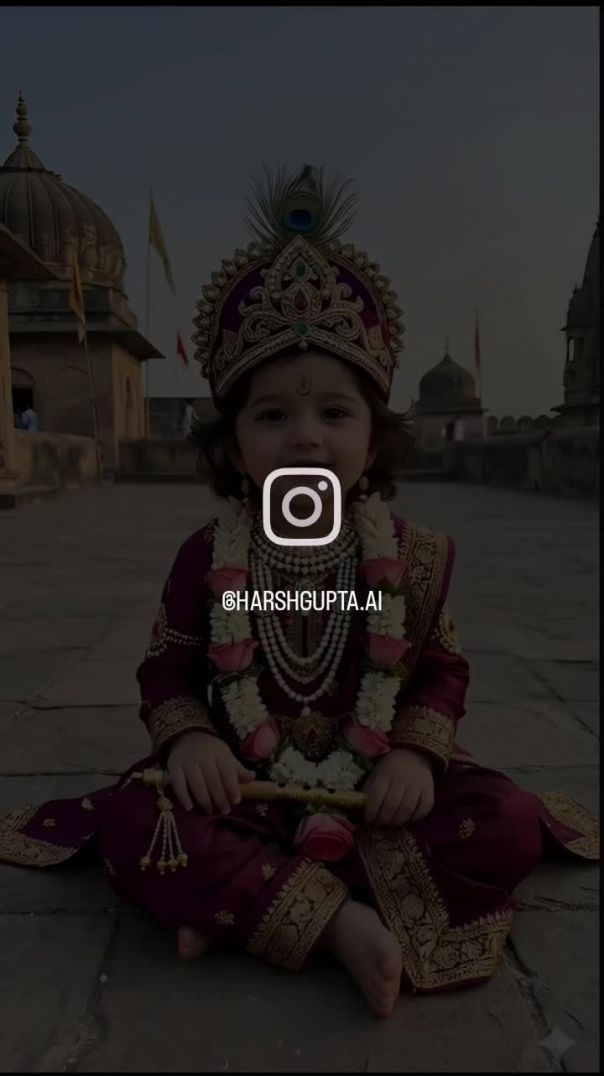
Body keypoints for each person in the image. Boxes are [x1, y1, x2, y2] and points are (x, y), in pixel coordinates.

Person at [0, 166, 597, 1019]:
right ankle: (339, 923)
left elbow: (440, 672)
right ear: (235, 446)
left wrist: (413, 756)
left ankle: (242, 906)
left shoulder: (415, 557)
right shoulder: (207, 555)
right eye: (273, 415)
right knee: (139, 823)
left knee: (501, 820)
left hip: (374, 792)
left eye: (335, 415)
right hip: (245, 790)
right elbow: (167, 673)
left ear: (374, 440)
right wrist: (191, 742)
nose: (305, 438)